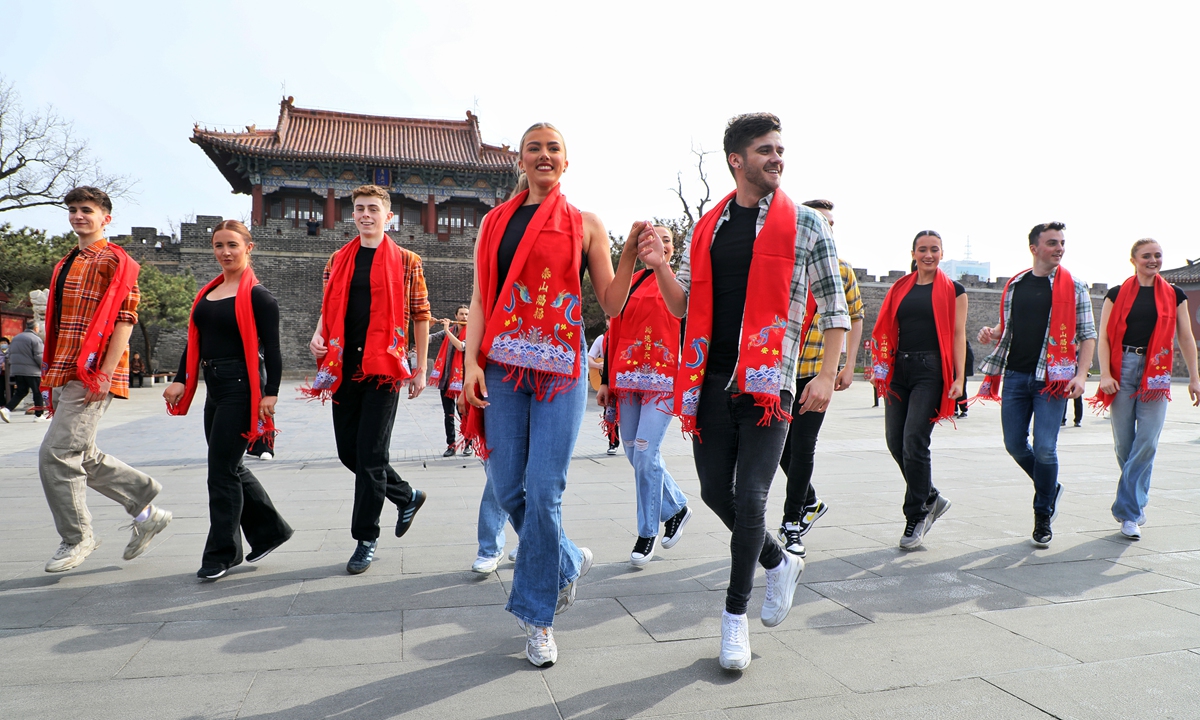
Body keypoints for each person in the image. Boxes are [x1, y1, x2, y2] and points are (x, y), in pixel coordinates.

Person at [638, 113, 850, 671]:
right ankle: (779, 561)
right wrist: (660, 266)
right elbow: (684, 307)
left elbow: (835, 307)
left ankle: (735, 620)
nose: (776, 157)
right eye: (765, 150)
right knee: (713, 491)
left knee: (753, 495)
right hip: (710, 380)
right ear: (737, 160)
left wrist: (827, 374)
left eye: (780, 149)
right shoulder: (708, 228)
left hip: (770, 383)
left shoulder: (807, 225)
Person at [460, 122, 638, 667]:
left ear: (566, 162)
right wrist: (470, 360)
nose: (543, 155)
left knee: (544, 492)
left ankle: (538, 618)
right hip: (506, 370)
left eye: (552, 148)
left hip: (561, 371)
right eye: (533, 148)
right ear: (520, 160)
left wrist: (630, 250)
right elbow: (481, 298)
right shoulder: (494, 222)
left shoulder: (584, 224)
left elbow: (610, 301)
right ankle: (565, 558)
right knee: (506, 484)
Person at [37, 186, 172, 573]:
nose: (79, 216)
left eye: (87, 210)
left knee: (56, 455)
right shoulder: (66, 261)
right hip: (62, 369)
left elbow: (125, 320)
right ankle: (146, 509)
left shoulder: (116, 261)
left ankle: (76, 538)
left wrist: (106, 372)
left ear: (105, 218)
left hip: (91, 371)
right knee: (83, 454)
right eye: (74, 210)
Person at [305, 184, 432, 575]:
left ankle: (366, 537)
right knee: (350, 453)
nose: (365, 215)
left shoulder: (407, 261)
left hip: (385, 368)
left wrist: (421, 368)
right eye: (359, 208)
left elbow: (421, 314)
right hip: (343, 366)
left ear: (387, 216)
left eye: (373, 209)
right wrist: (318, 331)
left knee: (372, 456)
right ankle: (406, 495)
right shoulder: (338, 259)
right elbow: (329, 304)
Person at [164, 220, 293, 580]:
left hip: (242, 387)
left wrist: (271, 393)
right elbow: (196, 340)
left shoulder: (258, 296)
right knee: (230, 466)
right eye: (219, 245)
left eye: (232, 245)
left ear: (248, 247)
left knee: (220, 470)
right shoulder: (209, 293)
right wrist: (179, 379)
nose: (225, 252)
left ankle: (222, 553)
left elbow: (273, 348)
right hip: (214, 386)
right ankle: (271, 531)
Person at [976, 222, 1096, 548]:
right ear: (1034, 248)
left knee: (1045, 447)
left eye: (1062, 243)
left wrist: (1081, 375)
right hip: (1015, 375)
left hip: (1053, 380)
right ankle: (1050, 486)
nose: (1059, 248)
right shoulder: (1016, 284)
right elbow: (1008, 327)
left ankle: (1042, 513)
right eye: (1052, 243)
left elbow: (1087, 336)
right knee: (1015, 444)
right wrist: (993, 333)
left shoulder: (1075, 287)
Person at [1090, 239, 1200, 539]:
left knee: (1147, 442)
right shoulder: (1116, 294)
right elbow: (1103, 339)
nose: (1153, 260)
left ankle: (1128, 512)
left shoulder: (1174, 294)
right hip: (1123, 367)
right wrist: (1106, 375)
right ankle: (1136, 505)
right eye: (1146, 256)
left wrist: (1195, 377)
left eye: (1158, 256)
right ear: (1133, 260)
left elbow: (1186, 338)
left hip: (1157, 371)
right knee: (1125, 445)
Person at [597, 225, 692, 567]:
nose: (660, 244)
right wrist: (607, 379)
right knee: (634, 453)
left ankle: (647, 532)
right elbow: (614, 331)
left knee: (645, 451)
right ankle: (677, 506)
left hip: (664, 380)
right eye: (654, 239)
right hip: (627, 378)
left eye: (667, 239)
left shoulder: (680, 285)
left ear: (672, 249)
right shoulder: (632, 282)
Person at [776, 199, 864, 557]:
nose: (825, 228)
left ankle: (792, 521)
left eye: (831, 224)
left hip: (815, 371)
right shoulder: (783, 264)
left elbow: (854, 316)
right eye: (818, 222)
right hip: (780, 370)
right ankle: (810, 500)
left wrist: (846, 365)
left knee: (803, 446)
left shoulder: (841, 271)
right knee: (779, 448)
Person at [871, 231, 967, 549]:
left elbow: (957, 336)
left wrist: (958, 379)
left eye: (934, 250)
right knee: (894, 441)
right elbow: (886, 328)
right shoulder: (900, 288)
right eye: (922, 249)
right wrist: (881, 367)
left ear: (942, 253)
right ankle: (931, 495)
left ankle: (917, 513)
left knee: (914, 439)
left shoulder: (954, 290)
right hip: (898, 369)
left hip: (930, 371)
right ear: (913, 252)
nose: (928, 254)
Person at [429, 306, 471, 457]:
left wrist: (447, 331)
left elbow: (461, 346)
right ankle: (451, 445)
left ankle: (468, 444)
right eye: (461, 314)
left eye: (467, 314)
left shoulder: (471, 331)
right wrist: (428, 325)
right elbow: (428, 339)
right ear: (456, 315)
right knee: (448, 414)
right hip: (446, 378)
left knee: (463, 413)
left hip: (462, 380)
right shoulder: (451, 329)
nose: (464, 317)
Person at [2, 319, 45, 422]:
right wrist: (44, 368)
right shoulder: (35, 339)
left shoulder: (16, 338)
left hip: (17, 370)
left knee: (21, 391)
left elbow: (8, 353)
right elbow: (39, 356)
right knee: (38, 391)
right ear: (36, 328)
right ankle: (39, 415)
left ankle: (7, 409)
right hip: (32, 371)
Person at [588, 331, 619, 455]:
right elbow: (589, 358)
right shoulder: (601, 338)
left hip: (623, 380)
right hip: (609, 382)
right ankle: (613, 442)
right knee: (610, 413)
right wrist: (597, 365)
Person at [955, 341, 974, 417]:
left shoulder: (964, 345)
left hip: (961, 372)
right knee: (953, 391)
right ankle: (954, 409)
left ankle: (964, 410)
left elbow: (969, 359)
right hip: (955, 371)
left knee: (961, 391)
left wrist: (964, 372)